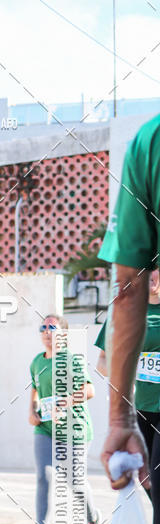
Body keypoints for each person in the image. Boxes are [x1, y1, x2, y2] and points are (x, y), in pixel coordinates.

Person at [97, 115, 160, 493]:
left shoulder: (150, 140)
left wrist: (118, 419)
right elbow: (104, 360)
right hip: (148, 411)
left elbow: (129, 286)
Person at [95, 271, 160, 524]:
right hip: (138, 412)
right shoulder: (124, 309)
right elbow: (103, 361)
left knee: (157, 485)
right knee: (148, 483)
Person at [25, 314, 102, 524]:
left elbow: (89, 390)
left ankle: (92, 519)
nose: (47, 332)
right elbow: (35, 390)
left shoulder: (72, 360)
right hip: (46, 429)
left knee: (75, 482)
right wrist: (32, 410)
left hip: (74, 429)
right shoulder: (37, 362)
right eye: (43, 327)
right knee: (44, 476)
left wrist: (64, 403)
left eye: (53, 328)